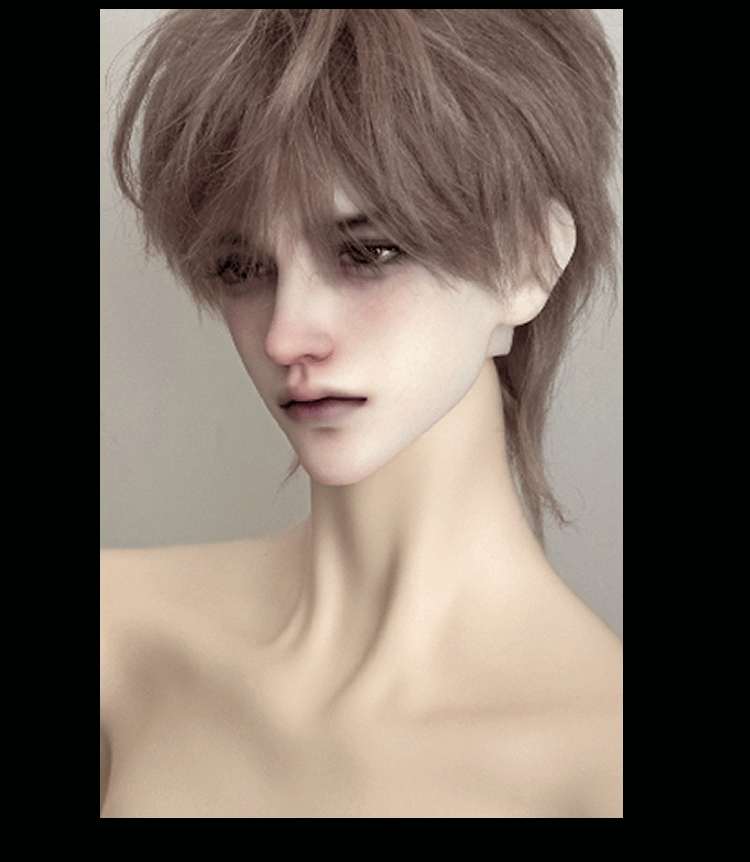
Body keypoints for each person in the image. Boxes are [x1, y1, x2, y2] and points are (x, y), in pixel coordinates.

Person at [101, 9, 622, 818]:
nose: (284, 334)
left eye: (368, 252)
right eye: (241, 267)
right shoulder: (117, 630)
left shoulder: (601, 764)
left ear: (530, 259)